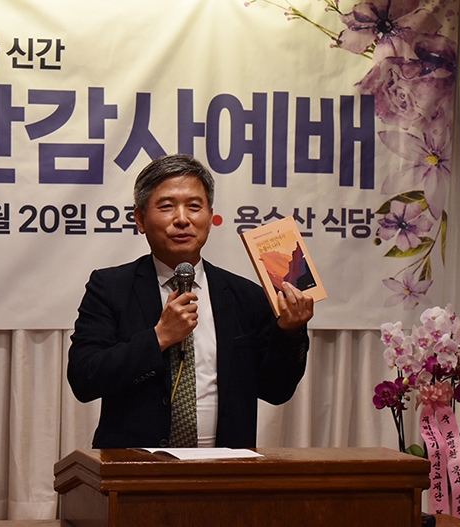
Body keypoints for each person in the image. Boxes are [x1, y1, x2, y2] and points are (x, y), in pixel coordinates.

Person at [67, 154, 313, 449]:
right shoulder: (110, 287)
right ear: (140, 219)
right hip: (135, 464)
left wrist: (289, 331)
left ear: (210, 217)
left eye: (194, 206)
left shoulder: (246, 295)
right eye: (166, 206)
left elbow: (276, 390)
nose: (182, 219)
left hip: (224, 465)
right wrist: (159, 337)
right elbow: (84, 378)